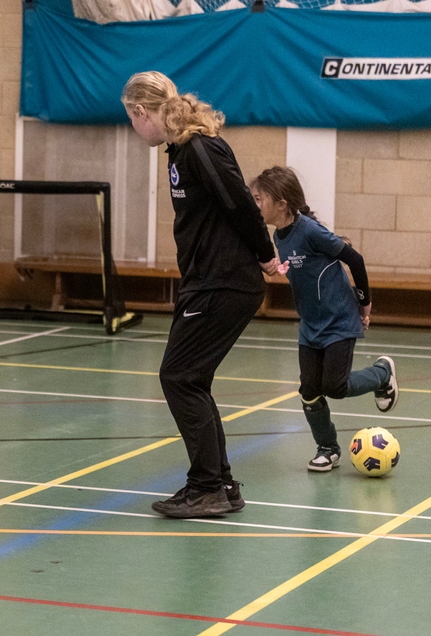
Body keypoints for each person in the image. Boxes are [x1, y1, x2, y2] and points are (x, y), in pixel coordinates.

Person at [122, 71, 280, 519]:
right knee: (192, 380)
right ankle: (220, 484)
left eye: (132, 120)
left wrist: (266, 255)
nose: (135, 130)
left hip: (224, 283)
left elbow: (239, 203)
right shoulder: (179, 151)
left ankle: (207, 486)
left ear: (141, 112)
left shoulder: (199, 148)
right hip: (207, 282)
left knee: (179, 377)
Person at [249, 166, 398, 472]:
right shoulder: (279, 235)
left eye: (259, 198)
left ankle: (382, 374)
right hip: (310, 324)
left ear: (281, 203)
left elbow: (354, 259)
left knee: (335, 385)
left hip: (339, 319)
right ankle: (327, 449)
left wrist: (364, 303)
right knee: (309, 390)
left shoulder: (311, 231)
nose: (256, 205)